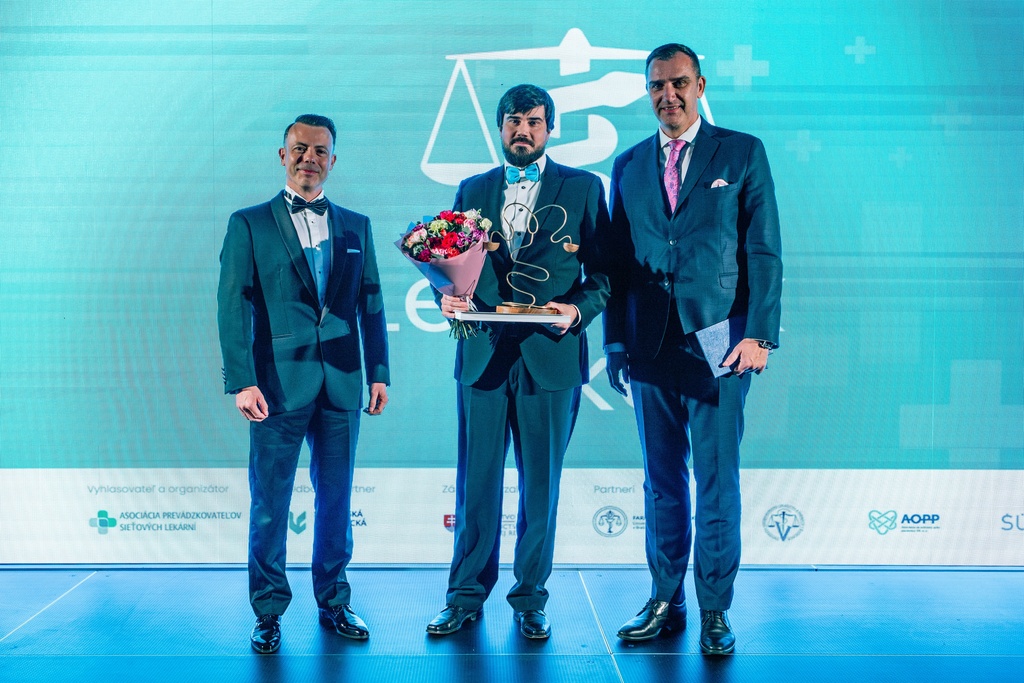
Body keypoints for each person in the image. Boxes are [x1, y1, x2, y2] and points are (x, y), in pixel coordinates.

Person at [603, 44, 782, 655]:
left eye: (678, 83)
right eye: (657, 86)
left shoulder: (742, 151)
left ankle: (714, 608)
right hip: (649, 342)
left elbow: (763, 250)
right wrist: (616, 342)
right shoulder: (628, 164)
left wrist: (759, 333)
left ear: (700, 86)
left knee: (716, 481)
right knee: (661, 483)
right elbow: (617, 264)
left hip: (721, 340)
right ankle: (665, 599)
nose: (668, 95)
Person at [426, 84, 611, 640]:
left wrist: (575, 311)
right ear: (500, 126)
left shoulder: (584, 188)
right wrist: (445, 296)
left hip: (551, 357)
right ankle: (464, 596)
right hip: (482, 356)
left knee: (541, 487)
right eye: (513, 120)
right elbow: (449, 266)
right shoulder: (472, 188)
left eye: (533, 121)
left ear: (550, 127)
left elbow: (605, 277)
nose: (522, 130)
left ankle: (530, 598)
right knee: (475, 483)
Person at [217, 114, 390, 654]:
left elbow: (372, 303)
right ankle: (268, 610)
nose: (308, 158)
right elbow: (232, 305)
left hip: (342, 383)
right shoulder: (249, 224)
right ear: (282, 154)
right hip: (274, 387)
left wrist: (379, 372)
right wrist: (241, 381)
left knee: (337, 500)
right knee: (270, 502)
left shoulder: (357, 226)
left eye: (319, 151)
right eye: (299, 149)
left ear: (332, 160)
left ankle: (335, 600)